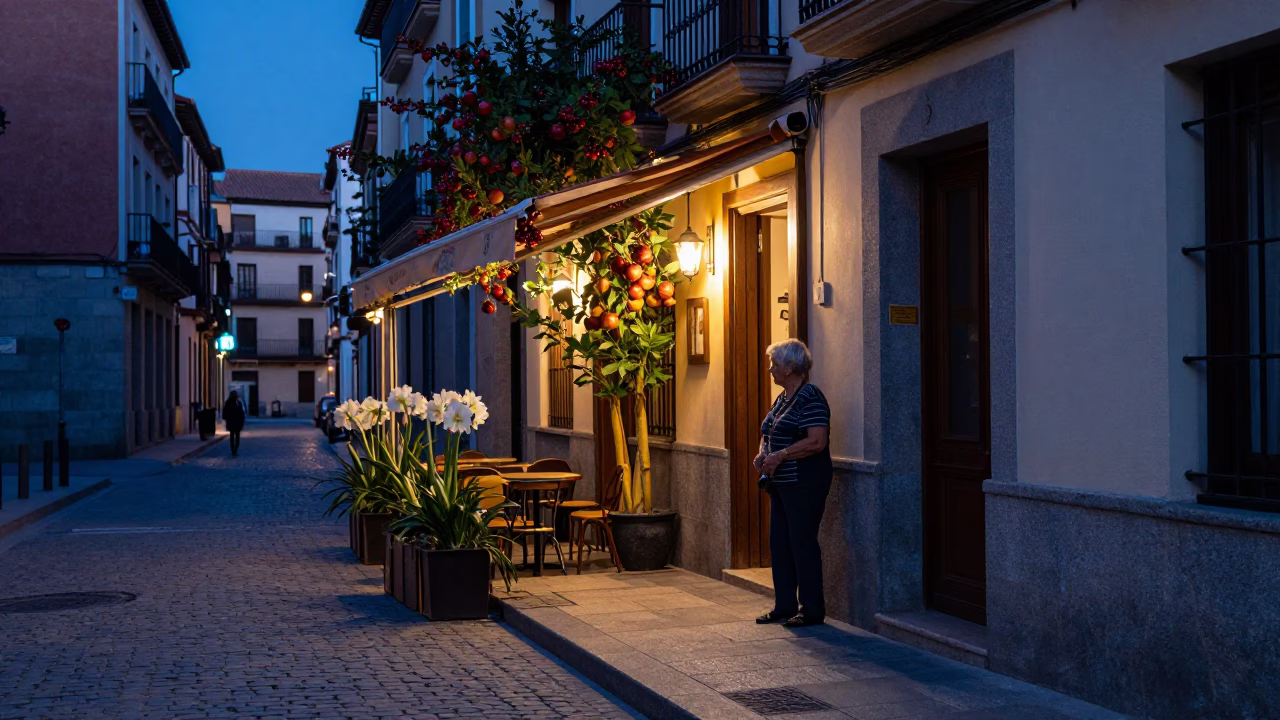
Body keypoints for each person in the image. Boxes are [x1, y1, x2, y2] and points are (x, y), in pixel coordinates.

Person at [753, 339, 833, 628]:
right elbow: (770, 430)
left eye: (774, 364)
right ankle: (784, 605)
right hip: (781, 484)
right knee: (781, 544)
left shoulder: (810, 397)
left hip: (804, 483)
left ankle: (812, 610)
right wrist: (764, 454)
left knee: (802, 544)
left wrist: (781, 455)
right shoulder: (783, 398)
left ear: (790, 367)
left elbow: (817, 441)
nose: (770, 369)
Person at [223, 391, 246, 457]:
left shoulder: (229, 403)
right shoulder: (238, 403)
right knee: (237, 437)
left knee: (232, 436)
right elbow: (241, 414)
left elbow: (225, 414)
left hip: (232, 423)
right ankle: (235, 449)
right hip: (236, 423)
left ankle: (233, 449)